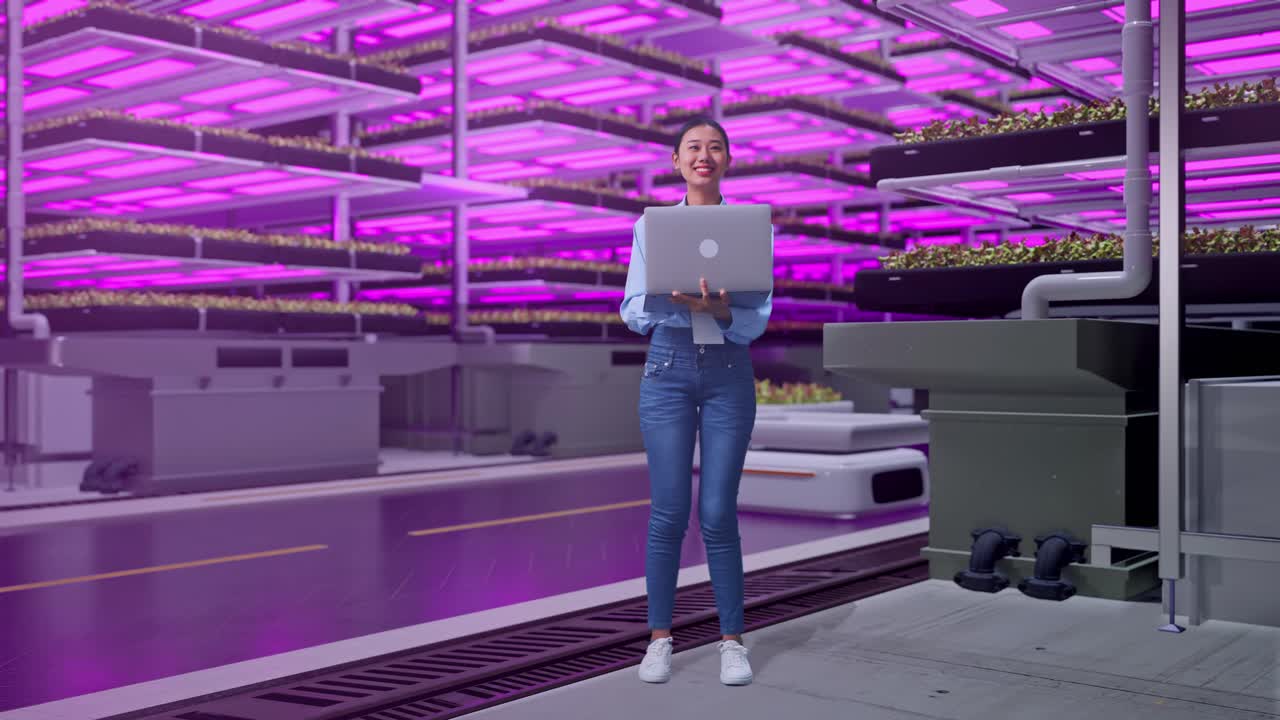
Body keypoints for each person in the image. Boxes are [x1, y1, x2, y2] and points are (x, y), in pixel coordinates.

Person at [618, 116, 773, 687]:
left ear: (728, 160)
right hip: (668, 369)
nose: (703, 156)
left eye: (714, 147)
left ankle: (732, 640)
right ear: (677, 162)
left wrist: (722, 312)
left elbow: (759, 317)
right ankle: (659, 639)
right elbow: (632, 309)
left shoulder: (753, 226)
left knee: (717, 513)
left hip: (730, 372)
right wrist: (679, 305)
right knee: (668, 513)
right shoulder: (650, 227)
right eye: (693, 148)